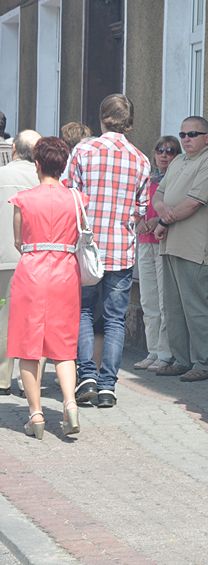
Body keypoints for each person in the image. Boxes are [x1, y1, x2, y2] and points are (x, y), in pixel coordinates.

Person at [69, 94, 151, 409]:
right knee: (116, 318)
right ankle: (108, 386)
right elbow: (141, 209)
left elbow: (69, 195)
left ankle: (87, 375)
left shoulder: (84, 150)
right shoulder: (140, 159)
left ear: (103, 118)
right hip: (121, 247)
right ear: (129, 122)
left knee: (84, 312)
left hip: (86, 246)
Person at [8, 137, 86, 438]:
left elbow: (18, 241)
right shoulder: (76, 198)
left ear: (37, 164)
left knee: (28, 345)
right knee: (64, 345)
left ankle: (36, 415)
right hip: (66, 269)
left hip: (33, 268)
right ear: (63, 164)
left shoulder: (25, 199)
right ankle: (70, 403)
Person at [152, 116, 208, 382]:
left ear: (207, 137)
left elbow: (194, 202)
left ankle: (205, 363)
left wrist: (163, 220)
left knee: (196, 306)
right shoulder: (179, 162)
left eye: (193, 134)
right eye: (182, 134)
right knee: (173, 308)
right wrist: (163, 212)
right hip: (171, 243)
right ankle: (181, 359)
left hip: (197, 246)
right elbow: (158, 195)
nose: (186, 139)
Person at [133, 136, 181, 372]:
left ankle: (165, 352)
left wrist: (156, 219)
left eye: (170, 151)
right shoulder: (146, 179)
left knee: (164, 301)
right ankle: (152, 350)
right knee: (148, 299)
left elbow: (176, 209)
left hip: (164, 242)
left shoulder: (176, 179)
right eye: (160, 150)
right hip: (144, 241)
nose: (164, 155)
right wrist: (139, 220)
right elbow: (134, 204)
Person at [0, 130, 42, 395]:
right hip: (35, 261)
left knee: (3, 318)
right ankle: (32, 382)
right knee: (33, 320)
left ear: (13, 148)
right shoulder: (44, 180)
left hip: (3, 258)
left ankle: (2, 378)